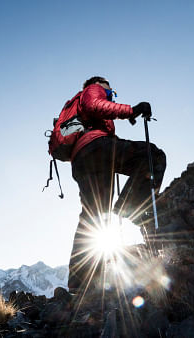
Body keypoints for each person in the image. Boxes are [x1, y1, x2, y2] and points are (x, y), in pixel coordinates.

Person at [67, 76, 166, 292]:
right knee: (153, 156)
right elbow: (96, 104)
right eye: (110, 91)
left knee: (93, 215)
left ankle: (79, 281)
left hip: (81, 159)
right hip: (98, 148)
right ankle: (129, 206)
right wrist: (131, 110)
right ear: (101, 85)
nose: (111, 94)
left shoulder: (79, 111)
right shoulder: (93, 89)